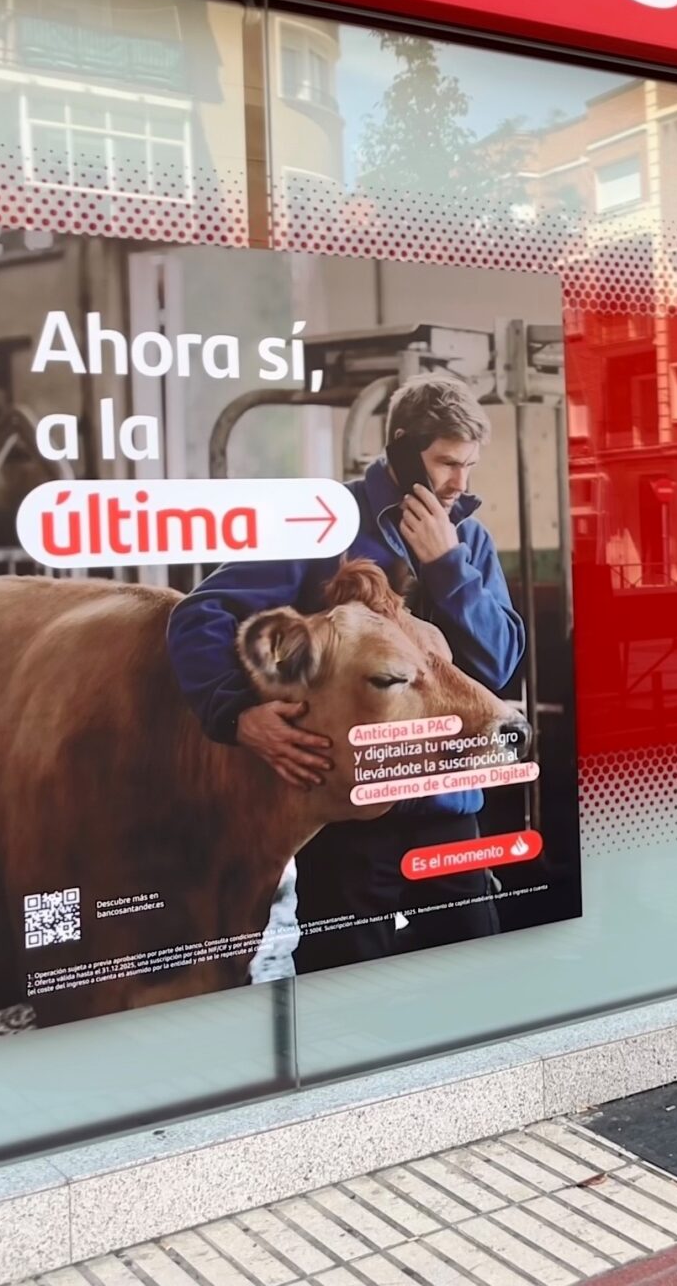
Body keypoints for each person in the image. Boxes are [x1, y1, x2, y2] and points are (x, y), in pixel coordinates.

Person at [167, 373, 526, 972]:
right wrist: (235, 713)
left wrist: (448, 566)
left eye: (468, 465)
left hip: (448, 806)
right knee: (344, 988)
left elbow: (500, 663)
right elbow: (198, 615)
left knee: (478, 976)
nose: (460, 484)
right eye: (446, 462)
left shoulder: (467, 539)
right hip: (350, 815)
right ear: (403, 450)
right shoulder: (325, 522)